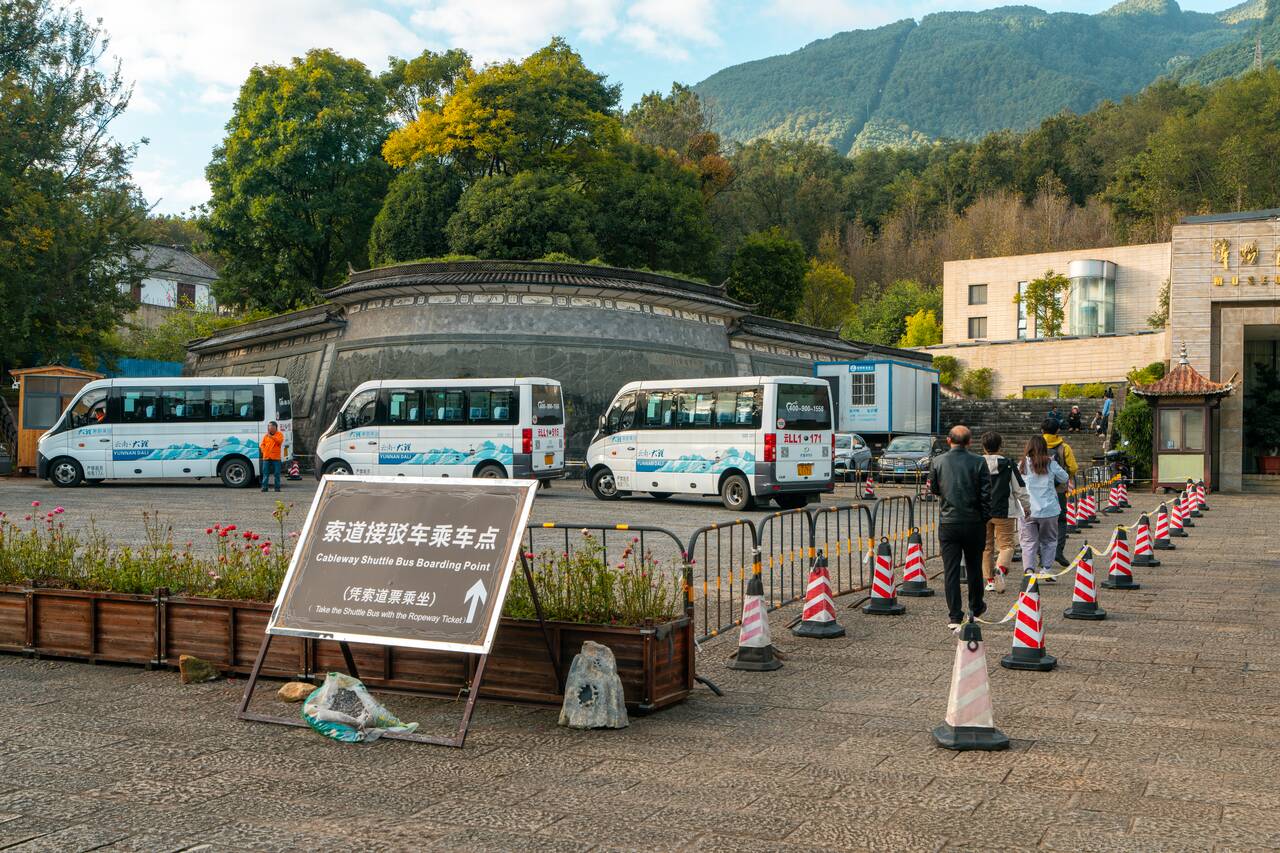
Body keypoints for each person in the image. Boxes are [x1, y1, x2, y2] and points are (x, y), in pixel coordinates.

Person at [929, 425, 992, 632]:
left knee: (951, 570)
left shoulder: (938, 461)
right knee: (974, 566)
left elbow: (935, 489)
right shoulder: (978, 461)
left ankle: (955, 615)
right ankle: (975, 607)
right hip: (974, 522)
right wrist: (984, 518)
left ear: (949, 440)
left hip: (948, 522)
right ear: (969, 442)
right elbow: (986, 495)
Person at [980, 431, 1030, 594]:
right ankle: (1000, 568)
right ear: (1001, 446)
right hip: (1005, 511)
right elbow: (1019, 488)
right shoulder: (1009, 464)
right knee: (1007, 545)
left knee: (986, 547)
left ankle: (989, 581)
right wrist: (1026, 506)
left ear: (984, 447)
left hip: (982, 511)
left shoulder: (976, 464)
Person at [1018, 435, 1070, 579]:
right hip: (1049, 510)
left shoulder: (1022, 464)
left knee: (1028, 541)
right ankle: (1046, 569)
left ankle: (1029, 570)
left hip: (1027, 510)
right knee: (1049, 540)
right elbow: (1065, 477)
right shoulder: (1050, 464)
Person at [1042, 418, 1078, 567]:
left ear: (1042, 431)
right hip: (1059, 490)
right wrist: (1065, 478)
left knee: (1040, 521)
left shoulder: (1037, 446)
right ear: (1058, 431)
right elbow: (1073, 467)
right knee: (1061, 520)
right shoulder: (1065, 447)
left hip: (1040, 491)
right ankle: (1058, 551)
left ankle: (1041, 553)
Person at [259, 421, 284, 493]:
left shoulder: (279, 434)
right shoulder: (266, 436)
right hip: (266, 457)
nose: (270, 428)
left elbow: (279, 442)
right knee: (265, 473)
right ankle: (264, 487)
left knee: (277, 473)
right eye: (269, 427)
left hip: (276, 458)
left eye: (271, 427)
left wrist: (272, 437)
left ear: (275, 427)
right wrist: (263, 450)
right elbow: (262, 444)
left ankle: (277, 488)